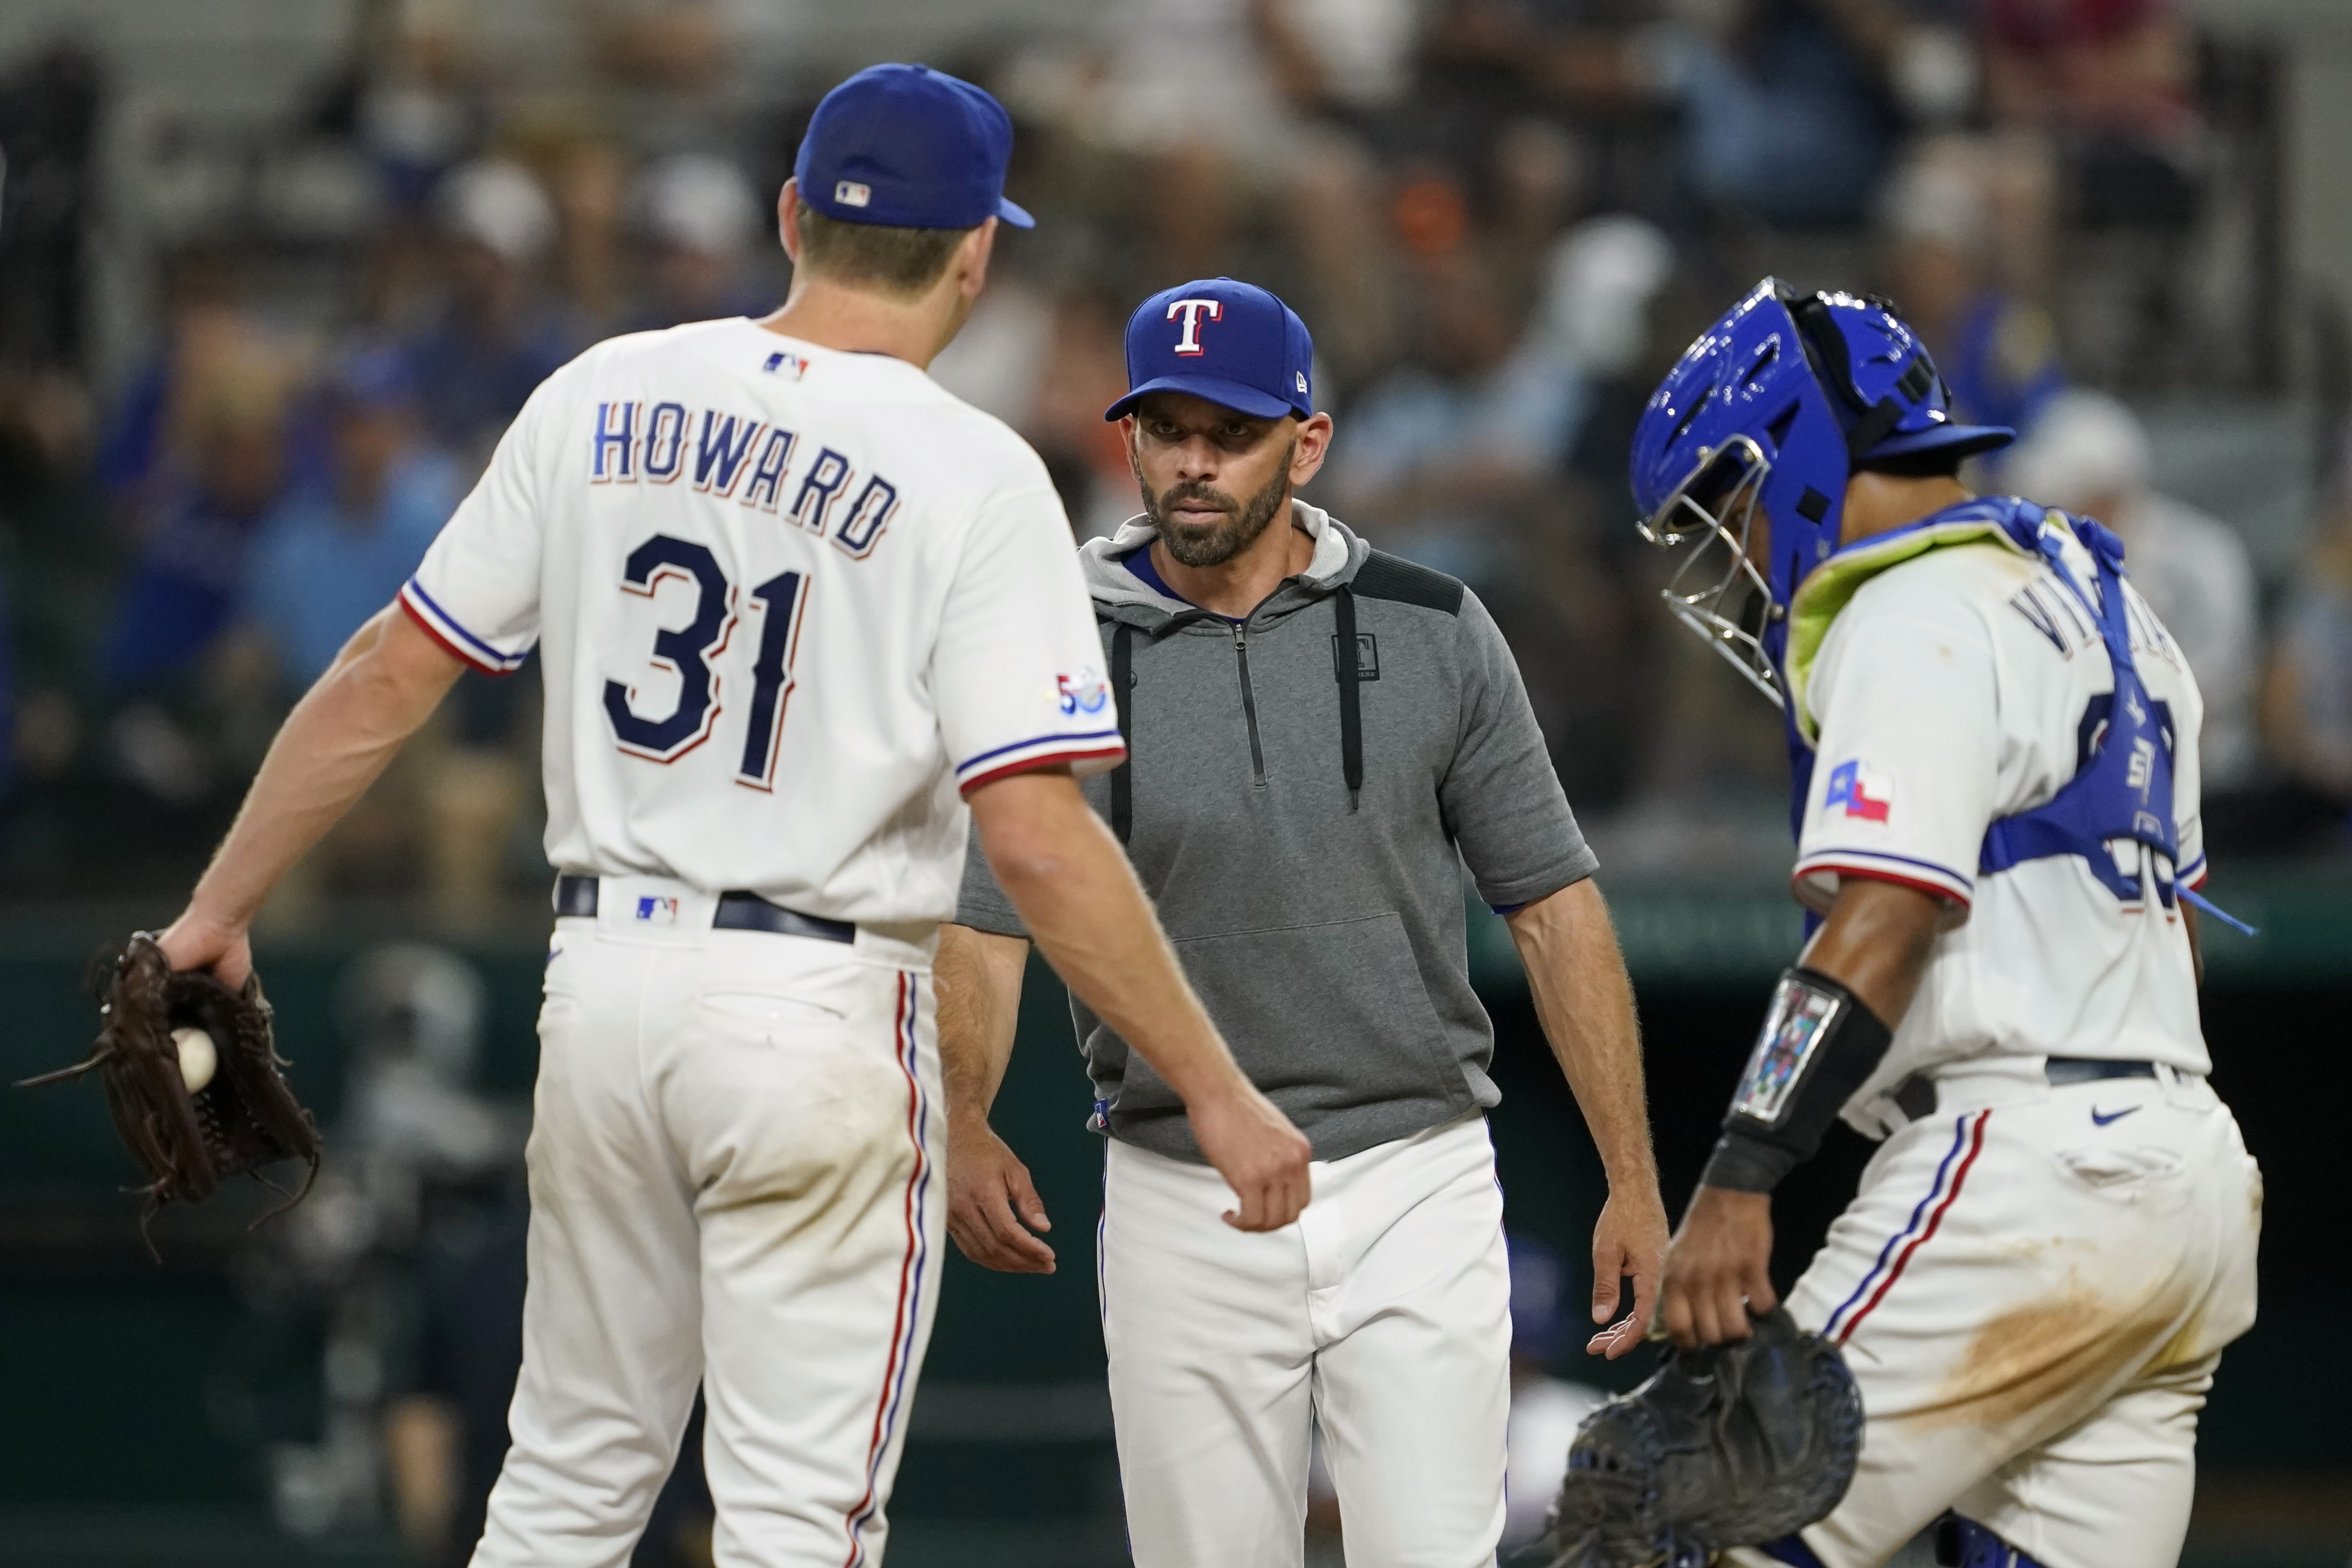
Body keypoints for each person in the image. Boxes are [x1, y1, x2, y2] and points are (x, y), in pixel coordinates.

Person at [152, 63, 1312, 1568]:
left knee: (564, 1483)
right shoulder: (975, 471)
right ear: (977, 250)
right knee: (793, 1522)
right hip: (816, 1002)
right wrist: (1212, 1087)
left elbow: (387, 673)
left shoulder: (600, 388)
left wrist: (216, 908)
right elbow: (1029, 834)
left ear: (787, 217)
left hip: (600, 989)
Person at [939, 276, 1669, 1568]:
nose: (1194, 463)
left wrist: (1628, 1170)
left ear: (1306, 441)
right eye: (1165, 430)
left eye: (1227, 432)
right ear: (1129, 439)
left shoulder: (1434, 624)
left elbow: (1553, 903)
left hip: (1417, 1167)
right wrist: (964, 1114)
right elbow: (990, 916)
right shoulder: (1053, 633)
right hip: (1180, 1181)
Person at [1629, 281, 2261, 1568]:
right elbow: (2179, 943)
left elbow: (1886, 912)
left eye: (1729, 500)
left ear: (1797, 452)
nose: (1736, 548)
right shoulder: (2110, 607)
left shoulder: (1909, 605)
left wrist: (1741, 1173)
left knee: (1681, 1525)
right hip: (2184, 1175)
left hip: (2022, 1171)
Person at [2001, 389, 2259, 789]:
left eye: (2066, 501)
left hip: (2208, 783)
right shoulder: (2054, 558)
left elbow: (2216, 687)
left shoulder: (2198, 559)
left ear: (2107, 495)